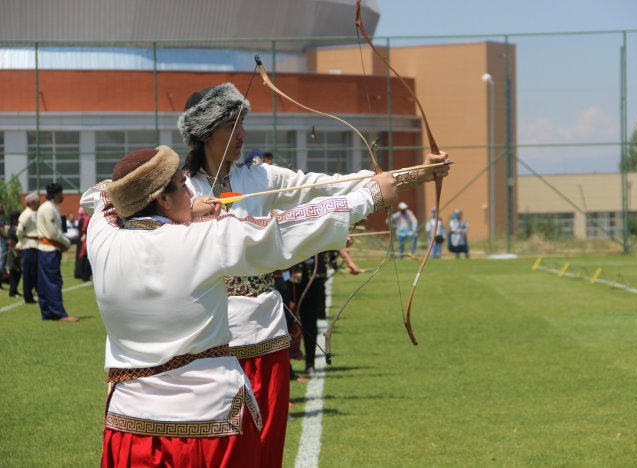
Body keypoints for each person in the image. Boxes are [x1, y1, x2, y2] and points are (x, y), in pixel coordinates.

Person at [178, 82, 449, 467]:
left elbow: (324, 185)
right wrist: (188, 213)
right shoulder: (178, 188)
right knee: (218, 452)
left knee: (266, 448)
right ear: (205, 131)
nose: (242, 134)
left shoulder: (261, 178)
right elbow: (112, 204)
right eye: (231, 125)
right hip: (208, 337)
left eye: (243, 123)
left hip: (265, 332)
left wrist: (415, 174)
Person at [82, 145, 398, 466]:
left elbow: (99, 194)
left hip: (129, 424)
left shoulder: (101, 233)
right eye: (182, 185)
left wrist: (182, 210)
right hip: (210, 426)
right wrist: (369, 196)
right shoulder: (206, 239)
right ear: (162, 199)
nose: (192, 193)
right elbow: (282, 228)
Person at [36, 183, 78, 322]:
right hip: (50, 249)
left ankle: (47, 312)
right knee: (53, 281)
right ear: (56, 194)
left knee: (44, 282)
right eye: (61, 193)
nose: (62, 196)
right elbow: (54, 233)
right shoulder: (48, 208)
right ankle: (58, 313)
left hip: (46, 249)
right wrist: (66, 242)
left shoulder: (50, 207)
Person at [17, 192, 40, 304]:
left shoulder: (33, 213)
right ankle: (28, 296)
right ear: (31, 203)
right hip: (29, 245)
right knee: (29, 273)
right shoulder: (26, 214)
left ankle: (32, 294)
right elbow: (20, 230)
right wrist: (22, 241)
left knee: (33, 272)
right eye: (37, 201)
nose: (39, 203)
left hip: (34, 245)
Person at [6, 211, 22, 298]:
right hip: (13, 253)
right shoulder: (12, 229)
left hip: (17, 252)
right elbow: (10, 242)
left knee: (18, 272)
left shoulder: (15, 228)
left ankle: (15, 290)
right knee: (14, 272)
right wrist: (16, 253)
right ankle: (12, 292)